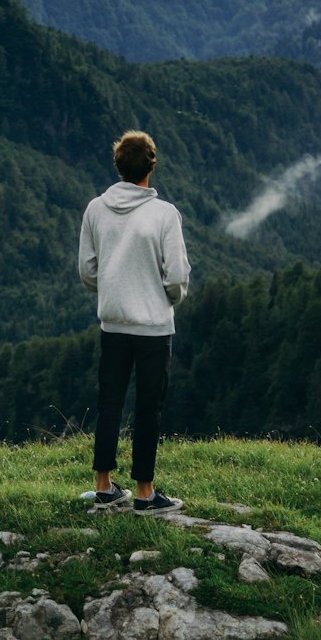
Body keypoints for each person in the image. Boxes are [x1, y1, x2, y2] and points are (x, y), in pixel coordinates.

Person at [78, 129, 190, 513]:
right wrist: (167, 300)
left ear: (118, 165)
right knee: (147, 408)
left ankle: (105, 488)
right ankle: (145, 494)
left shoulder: (95, 209)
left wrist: (111, 291)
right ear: (151, 167)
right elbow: (176, 276)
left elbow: (87, 269)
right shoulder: (164, 215)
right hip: (154, 327)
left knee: (109, 402)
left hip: (113, 323)